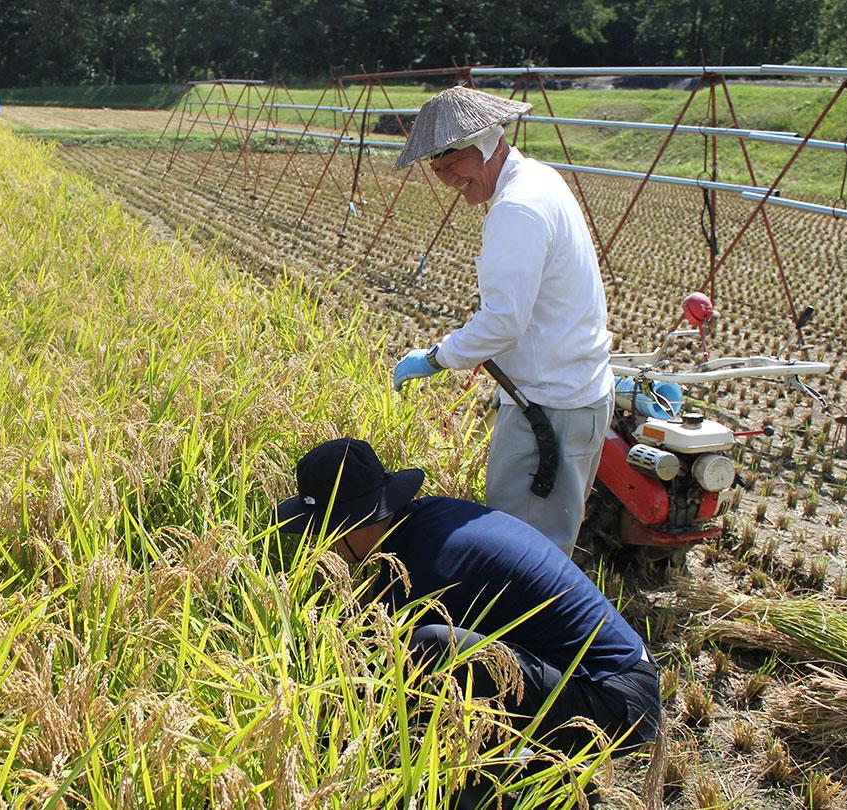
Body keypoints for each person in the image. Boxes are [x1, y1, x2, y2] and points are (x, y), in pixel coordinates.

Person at [276, 437, 660, 799]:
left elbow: (372, 671)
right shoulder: (428, 523)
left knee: (430, 649)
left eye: (319, 529)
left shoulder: (432, 564)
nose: (317, 542)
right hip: (601, 673)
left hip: (615, 701)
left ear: (349, 524)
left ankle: (518, 786)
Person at [390, 86, 614, 557]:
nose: (447, 178)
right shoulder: (537, 179)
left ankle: (530, 632)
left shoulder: (516, 207)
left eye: (453, 163)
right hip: (566, 394)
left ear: (486, 143)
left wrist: (436, 358)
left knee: (526, 553)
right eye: (437, 168)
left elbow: (502, 323)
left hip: (551, 407)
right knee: (540, 540)